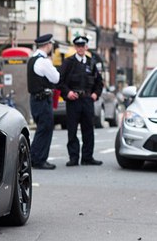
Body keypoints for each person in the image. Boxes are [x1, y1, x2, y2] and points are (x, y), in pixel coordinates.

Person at [58, 35, 104, 166]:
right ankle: (73, 158)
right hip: (73, 101)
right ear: (75, 47)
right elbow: (60, 81)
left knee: (88, 129)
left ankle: (87, 157)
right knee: (72, 130)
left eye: (83, 46)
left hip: (87, 100)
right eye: (78, 46)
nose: (80, 48)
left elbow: (99, 82)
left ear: (86, 47)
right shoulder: (68, 63)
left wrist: (96, 94)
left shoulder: (91, 62)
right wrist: (68, 93)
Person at [27, 33, 60, 170]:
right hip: (43, 100)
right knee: (45, 130)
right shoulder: (44, 61)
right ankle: (39, 159)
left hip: (34, 99)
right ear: (48, 45)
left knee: (41, 129)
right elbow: (56, 78)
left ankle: (34, 157)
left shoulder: (32, 60)